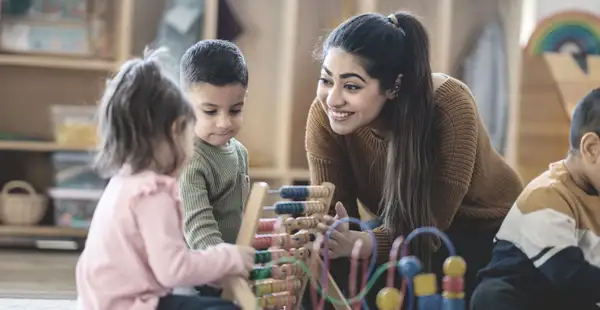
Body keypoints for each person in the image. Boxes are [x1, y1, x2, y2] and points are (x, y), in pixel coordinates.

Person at [304, 12, 523, 308]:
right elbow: (337, 220)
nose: (333, 99)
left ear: (393, 87)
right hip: (404, 226)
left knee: (398, 282)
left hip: (482, 229)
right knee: (319, 275)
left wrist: (366, 241)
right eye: (326, 80)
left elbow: (430, 228)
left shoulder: (449, 106)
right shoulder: (325, 114)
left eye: (352, 86)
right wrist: (330, 237)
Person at [75, 49, 255, 310]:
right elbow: (173, 270)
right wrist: (230, 257)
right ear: (174, 131)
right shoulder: (151, 194)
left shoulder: (126, 181)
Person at [470, 88, 600, 310]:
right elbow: (567, 273)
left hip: (567, 297)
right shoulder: (547, 195)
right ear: (591, 149)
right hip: (523, 295)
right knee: (494, 296)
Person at [178, 39, 250, 297]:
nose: (223, 123)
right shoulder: (190, 160)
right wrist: (224, 266)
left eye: (235, 110)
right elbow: (198, 226)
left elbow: (241, 214)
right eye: (210, 111)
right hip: (200, 276)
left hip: (229, 267)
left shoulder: (239, 152)